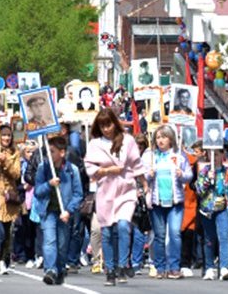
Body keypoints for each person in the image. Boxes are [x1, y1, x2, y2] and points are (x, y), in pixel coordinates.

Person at [85, 108, 144, 286]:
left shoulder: (127, 140)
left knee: (124, 226)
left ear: (115, 123)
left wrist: (145, 184)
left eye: (108, 124)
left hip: (126, 189)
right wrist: (107, 170)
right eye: (102, 126)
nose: (106, 129)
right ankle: (109, 270)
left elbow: (136, 163)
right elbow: (89, 168)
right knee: (107, 231)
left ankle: (122, 265)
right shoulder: (95, 144)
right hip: (106, 191)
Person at [32, 134, 80, 286]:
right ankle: (50, 270)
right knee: (49, 240)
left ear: (62, 152)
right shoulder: (43, 168)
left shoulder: (72, 170)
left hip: (64, 212)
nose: (49, 155)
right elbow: (37, 191)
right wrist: (49, 184)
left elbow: (78, 194)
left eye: (52, 151)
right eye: (48, 151)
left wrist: (69, 210)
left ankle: (59, 268)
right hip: (48, 211)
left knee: (62, 245)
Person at [145, 124, 192, 279]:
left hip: (175, 202)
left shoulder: (179, 156)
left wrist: (181, 175)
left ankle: (174, 267)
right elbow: (142, 175)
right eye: (158, 137)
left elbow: (189, 175)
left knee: (175, 233)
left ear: (171, 139)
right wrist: (149, 174)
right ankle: (160, 267)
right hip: (157, 202)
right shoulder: (151, 156)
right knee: (159, 235)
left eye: (164, 137)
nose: (160, 140)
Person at [195, 146, 228, 282]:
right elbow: (199, 190)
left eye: (217, 154)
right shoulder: (204, 171)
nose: (214, 157)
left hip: (222, 208)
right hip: (207, 209)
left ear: (222, 155)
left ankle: (224, 267)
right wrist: (207, 179)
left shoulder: (227, 171)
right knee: (209, 239)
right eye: (212, 154)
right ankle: (209, 267)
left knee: (223, 236)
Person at [0, 126, 23, 275]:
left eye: (9, 135)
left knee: (7, 230)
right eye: (3, 135)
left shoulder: (15, 153)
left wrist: (6, 162)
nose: (6, 138)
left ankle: (3, 259)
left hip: (9, 196)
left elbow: (16, 174)